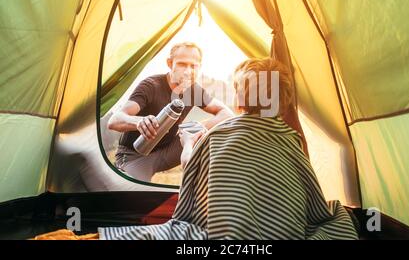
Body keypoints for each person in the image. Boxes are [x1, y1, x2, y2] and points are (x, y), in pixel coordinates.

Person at [99, 57, 359, 240]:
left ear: (240, 98)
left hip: (225, 228)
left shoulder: (219, 135)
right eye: (183, 63)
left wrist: (191, 142)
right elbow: (310, 195)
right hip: (285, 230)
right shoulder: (291, 139)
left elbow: (190, 166)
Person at [107, 42, 234, 181]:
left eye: (193, 66)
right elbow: (114, 121)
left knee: (203, 135)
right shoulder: (151, 85)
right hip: (134, 154)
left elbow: (226, 113)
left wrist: (198, 128)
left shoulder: (194, 91)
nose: (188, 71)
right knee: (134, 193)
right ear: (170, 63)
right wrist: (138, 122)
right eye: (182, 64)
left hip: (166, 152)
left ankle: (211, 186)